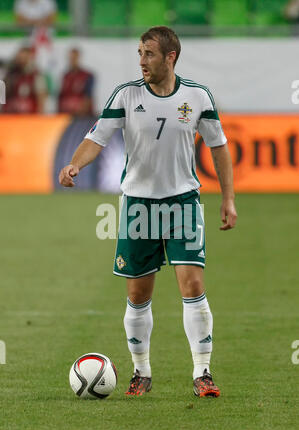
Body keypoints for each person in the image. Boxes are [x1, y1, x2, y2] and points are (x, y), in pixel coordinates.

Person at [59, 26, 237, 398]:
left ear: (170, 57)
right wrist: (75, 165)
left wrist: (228, 198)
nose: (142, 60)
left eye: (150, 54)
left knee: (193, 285)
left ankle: (202, 372)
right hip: (138, 206)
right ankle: (141, 373)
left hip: (183, 204)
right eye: (140, 53)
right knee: (138, 295)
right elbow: (97, 137)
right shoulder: (126, 95)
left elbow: (219, 146)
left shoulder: (197, 96)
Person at [2, 45, 47, 113]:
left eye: (24, 57)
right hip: (11, 115)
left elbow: (41, 96)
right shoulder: (11, 74)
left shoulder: (35, 75)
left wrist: (40, 114)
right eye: (20, 57)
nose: (21, 60)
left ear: (29, 58)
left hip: (29, 116)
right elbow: (4, 94)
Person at [58, 48, 95, 117]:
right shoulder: (65, 76)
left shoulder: (87, 76)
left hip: (81, 116)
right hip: (66, 115)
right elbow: (61, 96)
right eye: (71, 58)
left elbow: (88, 96)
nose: (72, 60)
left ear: (79, 58)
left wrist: (82, 112)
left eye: (74, 57)